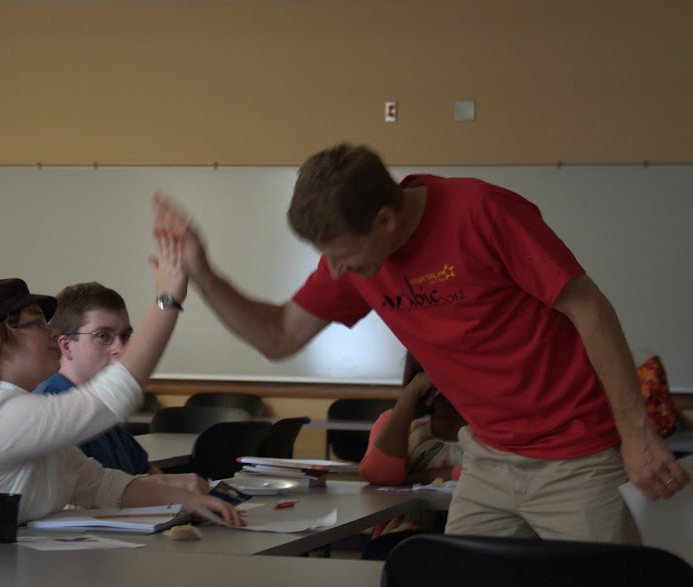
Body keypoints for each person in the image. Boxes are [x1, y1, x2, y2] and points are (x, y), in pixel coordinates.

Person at [152, 143, 690, 544]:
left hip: (576, 458)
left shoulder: (482, 212)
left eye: (341, 255)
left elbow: (588, 307)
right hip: (488, 458)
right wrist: (203, 274)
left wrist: (636, 434)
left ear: (386, 219)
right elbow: (278, 336)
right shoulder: (359, 257)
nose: (334, 271)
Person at [0, 237, 242, 542]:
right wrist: (167, 299)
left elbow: (104, 486)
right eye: (37, 323)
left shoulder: (19, 416)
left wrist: (191, 503)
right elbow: (110, 398)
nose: (52, 334)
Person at [34, 281, 208, 494]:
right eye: (103, 336)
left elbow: (147, 472)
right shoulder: (48, 407)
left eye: (125, 336)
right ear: (66, 346)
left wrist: (187, 492)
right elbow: (75, 499)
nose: (121, 348)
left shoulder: (103, 404)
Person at [360, 353, 465, 538]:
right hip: (404, 536)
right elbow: (380, 476)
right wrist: (411, 392)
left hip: (475, 534)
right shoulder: (397, 421)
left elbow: (503, 474)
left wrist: (436, 475)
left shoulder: (494, 421)